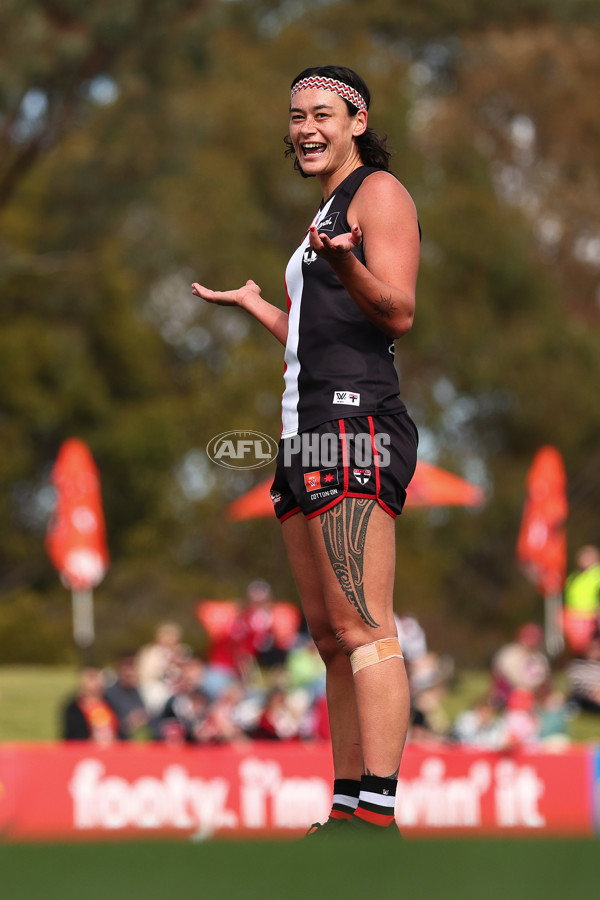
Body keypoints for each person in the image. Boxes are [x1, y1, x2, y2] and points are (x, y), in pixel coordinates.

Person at [193, 64, 420, 835]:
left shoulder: (378, 194)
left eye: (322, 112)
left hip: (354, 427)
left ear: (358, 120)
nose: (305, 127)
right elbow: (315, 336)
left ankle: (378, 819)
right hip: (304, 434)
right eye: (296, 115)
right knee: (328, 638)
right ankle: (348, 806)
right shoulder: (324, 216)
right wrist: (260, 306)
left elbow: (398, 313)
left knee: (364, 625)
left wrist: (346, 260)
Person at [491, 622, 550, 709]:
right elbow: (497, 677)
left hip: (533, 696)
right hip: (509, 693)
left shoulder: (540, 658)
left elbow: (544, 683)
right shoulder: (509, 654)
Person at [62, 667, 120, 744]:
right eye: (91, 678)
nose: (96, 682)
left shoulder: (110, 704)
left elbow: (119, 730)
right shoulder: (74, 708)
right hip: (85, 750)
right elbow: (73, 735)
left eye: (97, 677)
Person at [563, 545, 600, 655]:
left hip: (592, 617)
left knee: (593, 647)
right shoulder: (574, 577)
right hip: (574, 617)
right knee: (579, 650)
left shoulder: (597, 574)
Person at [104, 653, 149, 740]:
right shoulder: (109, 694)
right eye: (126, 668)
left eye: (132, 668)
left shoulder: (139, 691)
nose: (129, 672)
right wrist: (128, 722)